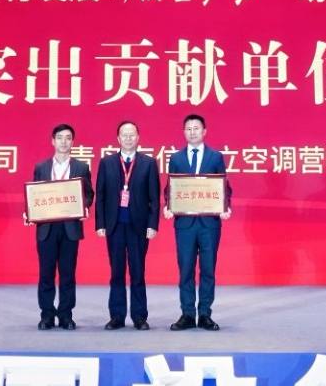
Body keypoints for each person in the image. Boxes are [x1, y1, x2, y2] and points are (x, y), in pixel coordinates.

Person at [165, 112, 232, 330]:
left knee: (208, 269)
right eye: (188, 129)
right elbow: (170, 187)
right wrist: (168, 205)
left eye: (196, 128)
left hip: (209, 223)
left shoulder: (216, 157)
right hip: (184, 224)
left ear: (204, 131)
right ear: (184, 132)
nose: (192, 132)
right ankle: (187, 314)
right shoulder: (176, 158)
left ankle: (204, 314)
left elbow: (223, 186)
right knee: (185, 269)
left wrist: (225, 206)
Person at [92, 119, 159, 330]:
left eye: (132, 135)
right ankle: (117, 317)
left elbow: (154, 198)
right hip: (114, 226)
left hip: (139, 227)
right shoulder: (107, 163)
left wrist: (153, 225)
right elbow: (100, 195)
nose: (128, 138)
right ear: (118, 138)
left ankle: (139, 317)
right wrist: (100, 223)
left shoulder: (148, 163)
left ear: (138, 138)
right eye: (124, 135)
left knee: (138, 272)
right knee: (116, 272)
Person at [26, 123, 91, 331]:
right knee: (46, 274)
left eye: (68, 138)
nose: (64, 141)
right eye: (60, 137)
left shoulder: (81, 167)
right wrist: (29, 212)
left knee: (67, 274)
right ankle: (46, 315)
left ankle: (65, 315)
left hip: (70, 228)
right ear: (53, 141)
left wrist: (84, 206)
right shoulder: (41, 167)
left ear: (73, 142)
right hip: (47, 228)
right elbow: (34, 195)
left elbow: (89, 194)